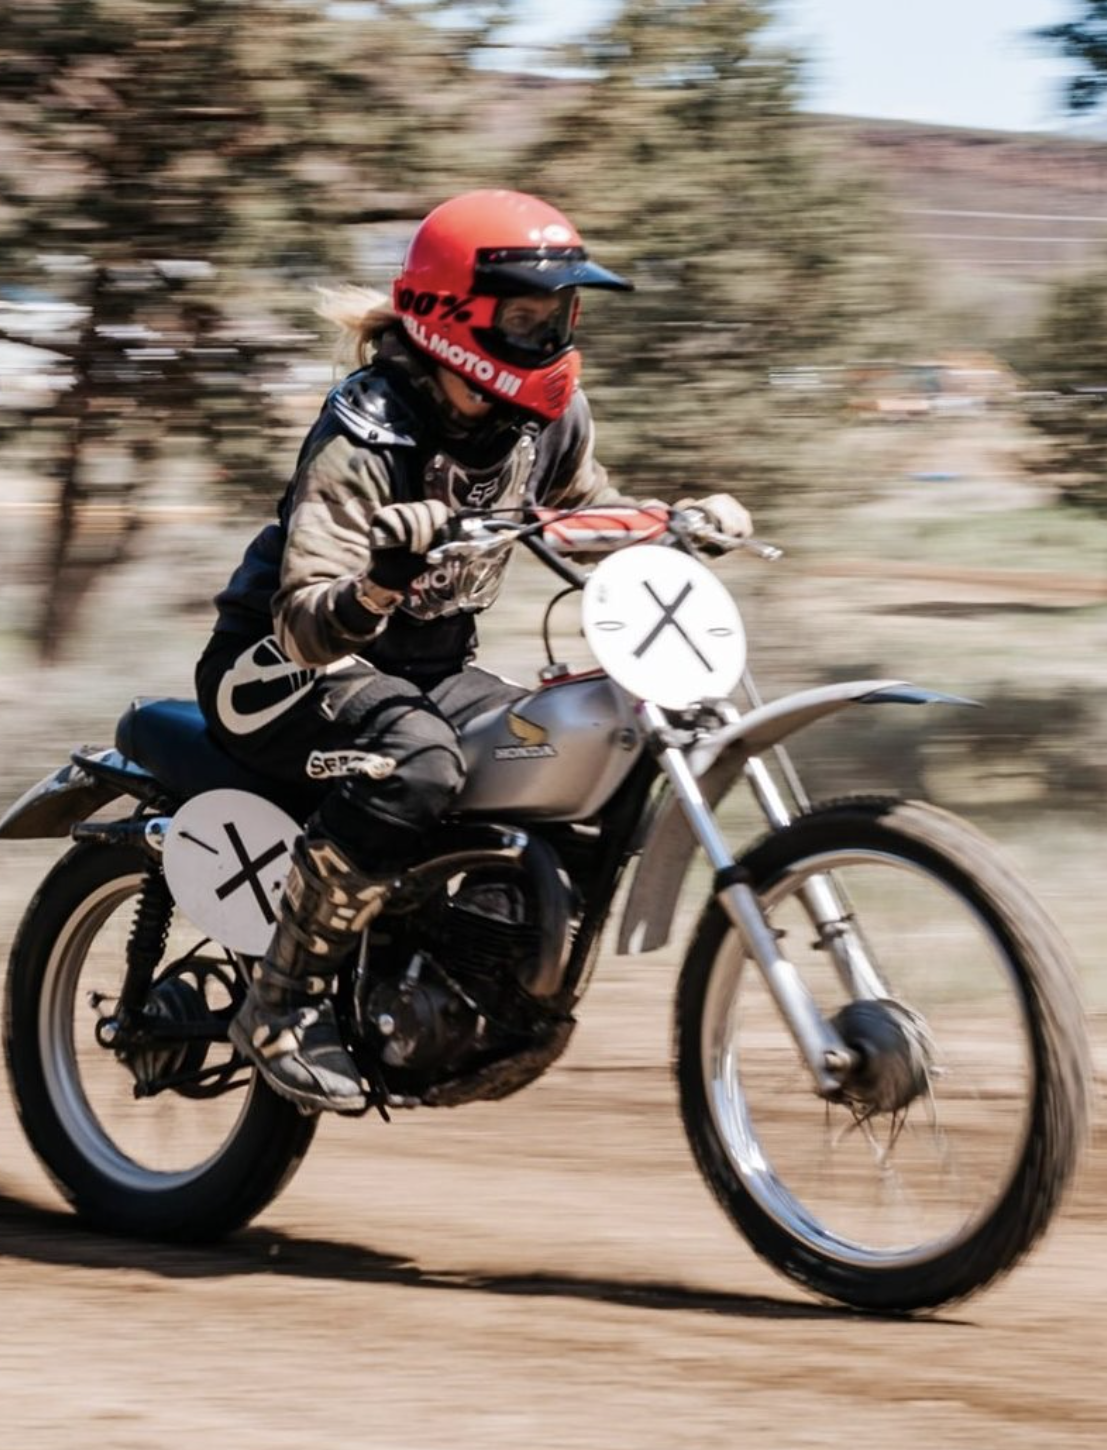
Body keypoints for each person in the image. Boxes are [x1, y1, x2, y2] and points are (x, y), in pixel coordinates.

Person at [197, 189, 752, 1112]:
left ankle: (468, 981)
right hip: (283, 673)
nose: (551, 337)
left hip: (430, 669)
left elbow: (587, 519)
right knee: (416, 764)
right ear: (451, 320)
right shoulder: (368, 429)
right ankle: (281, 1004)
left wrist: (675, 522)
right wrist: (381, 576)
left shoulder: (546, 421)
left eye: (559, 315)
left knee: (545, 750)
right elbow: (300, 620)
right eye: (526, 317)